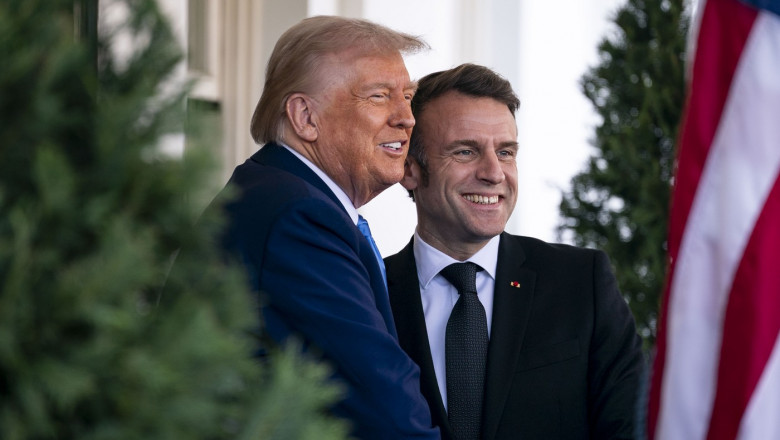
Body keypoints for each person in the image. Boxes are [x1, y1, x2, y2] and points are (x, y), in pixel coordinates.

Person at [385, 63, 644, 440]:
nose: (494, 173)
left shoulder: (581, 282)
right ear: (410, 169)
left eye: (505, 152)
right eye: (465, 152)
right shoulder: (368, 294)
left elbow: (629, 428)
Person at [217, 16, 439, 439]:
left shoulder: (284, 193)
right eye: (379, 96)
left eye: (408, 97)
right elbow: (385, 406)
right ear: (305, 117)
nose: (407, 118)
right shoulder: (298, 217)